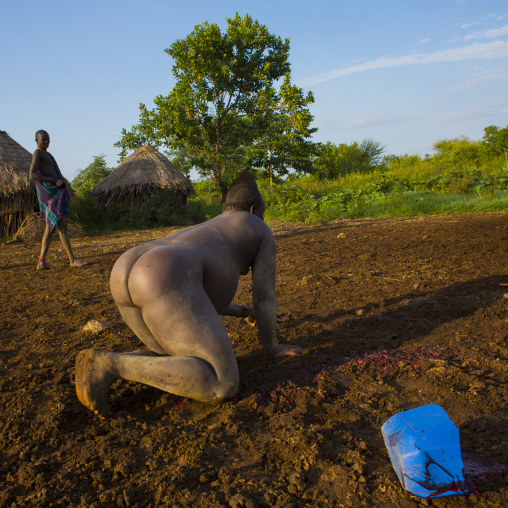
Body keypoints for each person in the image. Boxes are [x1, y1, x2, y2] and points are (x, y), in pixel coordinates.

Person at [75, 171, 304, 417]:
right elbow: (265, 296)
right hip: (164, 271)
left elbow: (191, 297)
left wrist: (241, 311)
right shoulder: (260, 228)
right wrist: (271, 346)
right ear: (253, 210)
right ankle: (109, 364)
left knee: (174, 357)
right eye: (262, 214)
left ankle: (106, 363)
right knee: (222, 383)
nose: (262, 219)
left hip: (128, 266)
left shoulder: (213, 227)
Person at [28, 130, 86, 269]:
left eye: (48, 139)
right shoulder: (38, 153)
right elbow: (32, 175)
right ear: (36, 140)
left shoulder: (47, 154)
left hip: (54, 193)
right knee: (62, 226)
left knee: (50, 228)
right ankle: (72, 259)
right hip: (50, 194)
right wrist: (54, 180)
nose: (46, 142)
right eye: (43, 139)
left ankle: (41, 261)